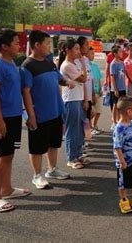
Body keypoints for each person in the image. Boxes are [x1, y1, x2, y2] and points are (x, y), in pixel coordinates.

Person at [0, 29, 30, 213]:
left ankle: (7, 189)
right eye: (16, 43)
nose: (20, 45)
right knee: (3, 156)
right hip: (2, 118)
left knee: (9, 154)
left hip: (13, 115)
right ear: (4, 46)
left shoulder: (11, 63)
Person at [21, 30, 71, 189]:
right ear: (37, 45)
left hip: (55, 110)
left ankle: (52, 169)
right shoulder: (27, 66)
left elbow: (58, 79)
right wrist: (31, 115)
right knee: (37, 147)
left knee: (53, 143)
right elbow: (26, 92)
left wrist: (67, 81)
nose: (50, 47)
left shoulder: (49, 62)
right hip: (39, 113)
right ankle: (37, 176)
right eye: (47, 44)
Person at [58, 39, 88, 169]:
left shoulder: (73, 64)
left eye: (78, 48)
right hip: (71, 100)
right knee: (71, 130)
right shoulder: (67, 65)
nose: (78, 51)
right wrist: (83, 64)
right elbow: (84, 79)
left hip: (77, 98)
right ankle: (71, 158)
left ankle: (78, 154)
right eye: (75, 49)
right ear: (67, 50)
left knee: (78, 129)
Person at [112, 96, 132, 213]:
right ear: (129, 112)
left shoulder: (131, 123)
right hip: (125, 161)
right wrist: (122, 161)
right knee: (123, 183)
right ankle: (124, 200)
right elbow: (117, 147)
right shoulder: (119, 129)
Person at [76, 37, 94, 147]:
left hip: (88, 97)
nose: (88, 47)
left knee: (86, 120)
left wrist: (92, 95)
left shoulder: (86, 60)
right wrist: (86, 99)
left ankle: (83, 142)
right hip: (82, 98)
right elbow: (82, 81)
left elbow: (89, 79)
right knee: (80, 123)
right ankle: (79, 147)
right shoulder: (77, 61)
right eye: (86, 45)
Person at [110, 45, 127, 130]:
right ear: (115, 53)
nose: (122, 53)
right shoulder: (113, 64)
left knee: (122, 105)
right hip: (116, 89)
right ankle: (114, 121)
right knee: (115, 105)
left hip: (122, 87)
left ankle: (120, 119)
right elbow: (112, 77)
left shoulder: (122, 63)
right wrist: (115, 89)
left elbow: (125, 74)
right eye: (120, 52)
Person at [88, 48, 103, 135]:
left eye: (93, 54)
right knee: (90, 112)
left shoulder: (95, 65)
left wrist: (100, 89)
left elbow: (98, 78)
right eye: (91, 54)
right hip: (90, 93)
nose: (92, 56)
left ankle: (94, 125)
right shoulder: (85, 66)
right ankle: (90, 128)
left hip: (97, 91)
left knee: (98, 111)